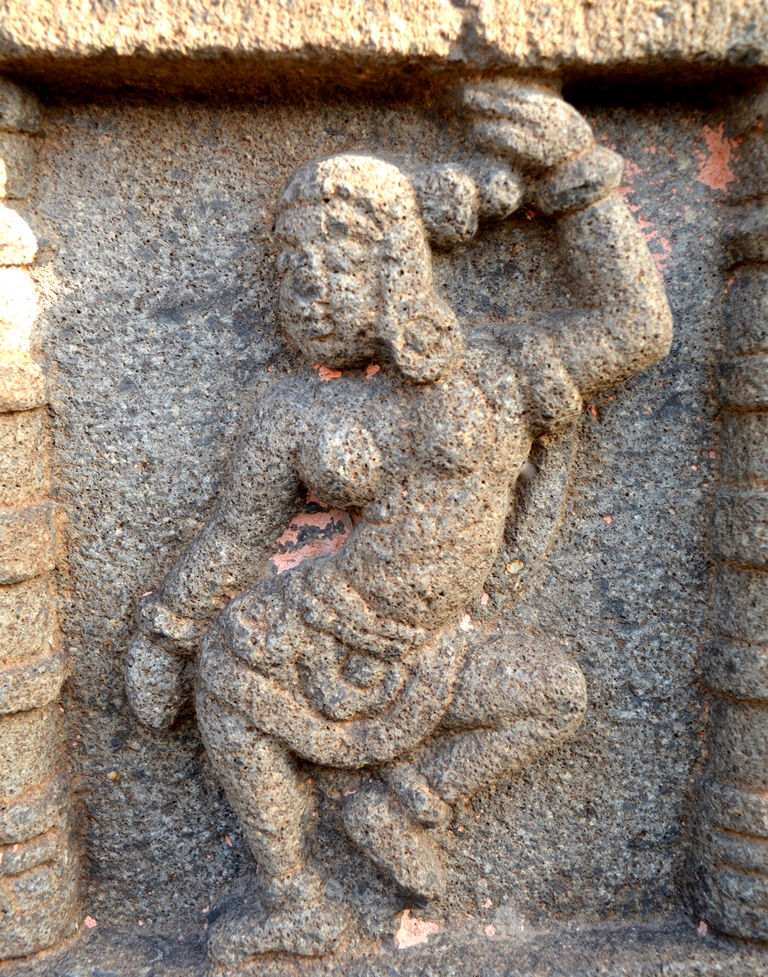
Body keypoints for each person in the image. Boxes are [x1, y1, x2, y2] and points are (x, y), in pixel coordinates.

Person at [125, 82, 672, 964]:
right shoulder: (291, 410)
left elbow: (638, 328)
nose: (311, 294)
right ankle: (292, 898)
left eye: (339, 270)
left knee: (554, 695)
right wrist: (167, 632)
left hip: (437, 646)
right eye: (292, 272)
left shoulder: (497, 373)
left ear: (397, 270)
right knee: (227, 675)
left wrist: (580, 177)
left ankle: (407, 800)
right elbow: (235, 536)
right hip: (314, 632)